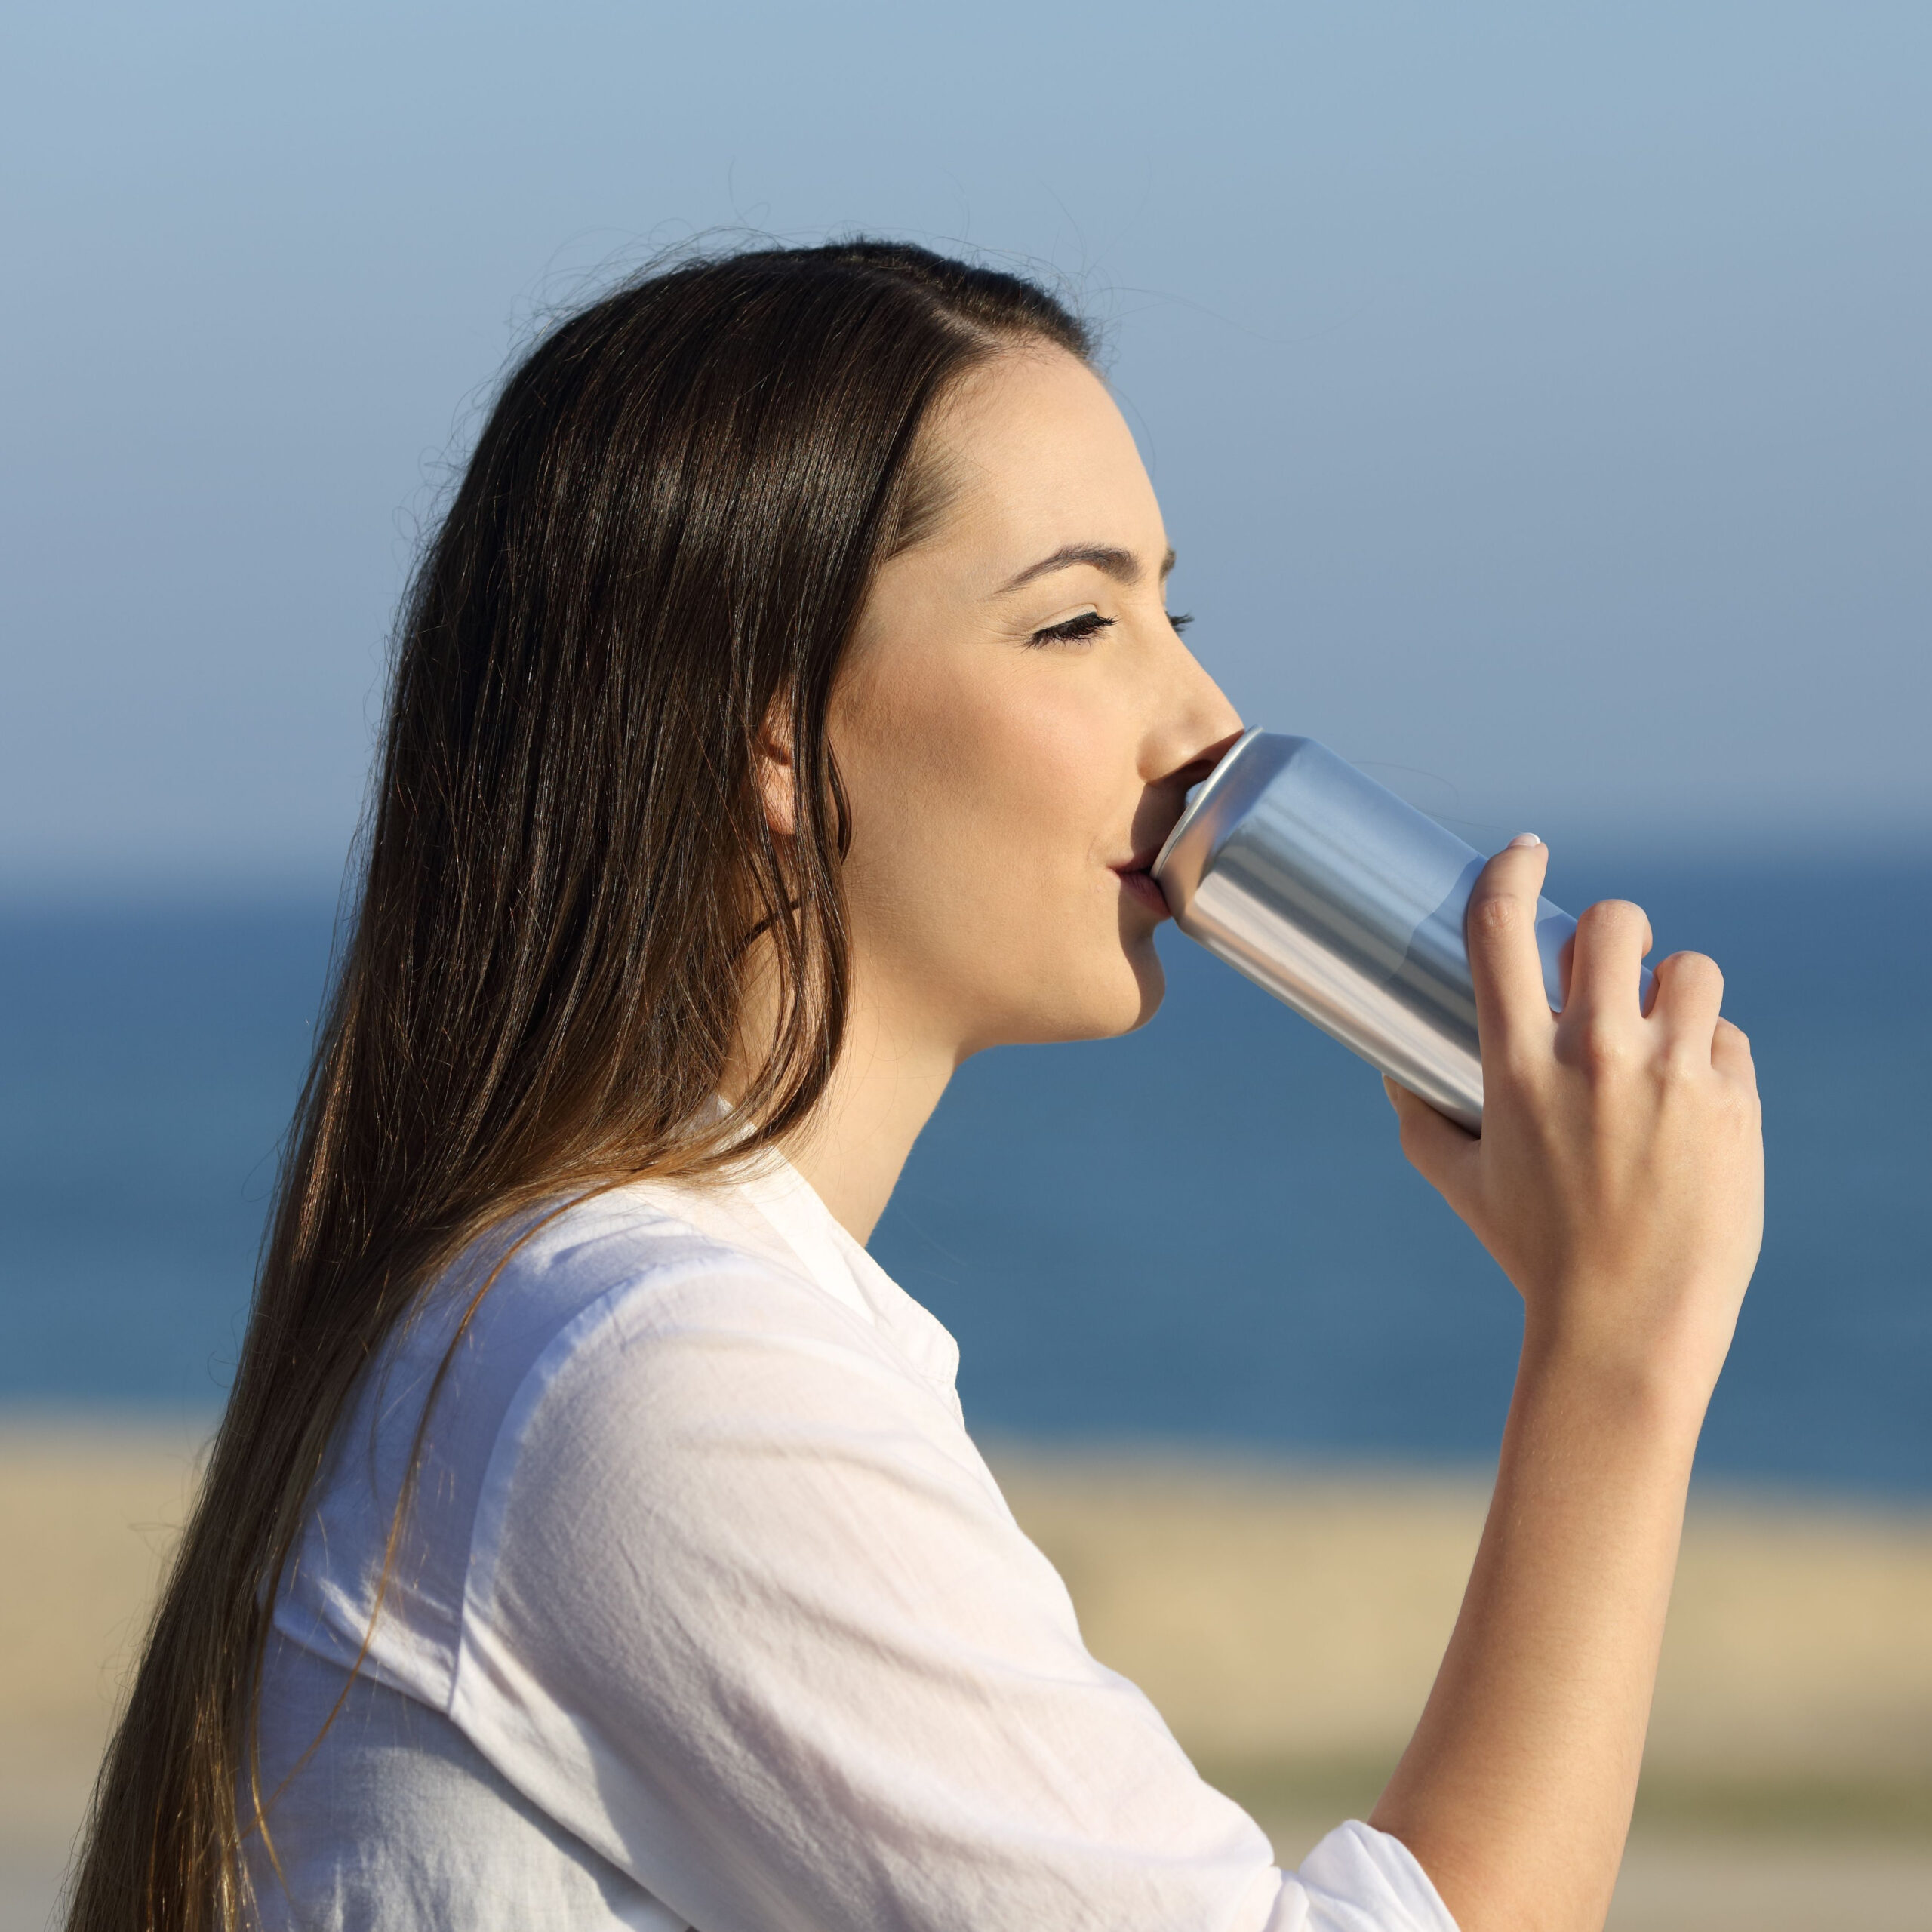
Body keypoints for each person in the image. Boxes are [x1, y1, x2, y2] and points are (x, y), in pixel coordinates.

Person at [66, 241, 1763, 1932]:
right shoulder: (658, 1377)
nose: (1202, 717)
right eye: (1078, 621)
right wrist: (1616, 1349)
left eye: (1172, 612)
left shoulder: (576, 1323)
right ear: (779, 730)